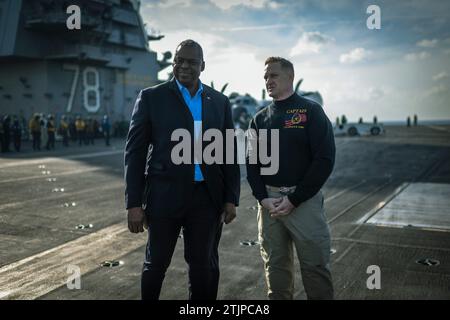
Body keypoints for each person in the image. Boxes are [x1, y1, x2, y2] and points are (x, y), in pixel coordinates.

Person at [124, 39, 240, 300]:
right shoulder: (152, 98)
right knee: (155, 265)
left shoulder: (219, 102)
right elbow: (135, 152)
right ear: (174, 63)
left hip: (206, 199)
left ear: (203, 66)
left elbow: (228, 153)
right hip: (164, 196)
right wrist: (133, 203)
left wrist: (231, 197)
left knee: (204, 267)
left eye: (192, 61)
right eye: (180, 60)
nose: (184, 66)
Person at [246, 57, 335, 300]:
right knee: (275, 268)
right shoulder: (259, 119)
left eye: (273, 75)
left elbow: (324, 159)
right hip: (269, 205)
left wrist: (295, 199)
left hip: (303, 202)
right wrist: (263, 198)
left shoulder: (311, 112)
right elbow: (252, 164)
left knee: (315, 268)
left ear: (289, 77)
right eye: (265, 77)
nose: (268, 80)